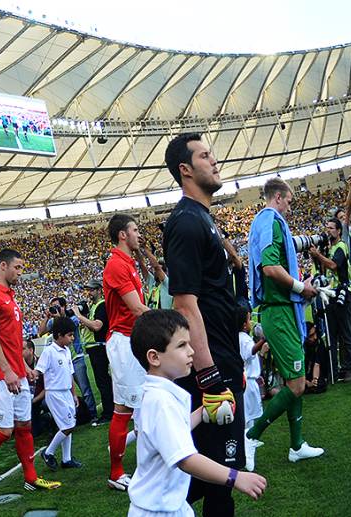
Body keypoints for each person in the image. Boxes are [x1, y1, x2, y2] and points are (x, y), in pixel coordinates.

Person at [163, 133, 243, 516]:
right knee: (216, 479)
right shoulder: (186, 223)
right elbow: (185, 305)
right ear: (185, 169)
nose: (215, 161)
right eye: (205, 156)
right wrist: (211, 378)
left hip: (223, 357)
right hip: (211, 368)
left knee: (216, 477)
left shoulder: (202, 218)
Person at [127, 310, 267, 516]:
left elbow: (175, 429)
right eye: (182, 345)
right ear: (154, 357)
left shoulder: (158, 394)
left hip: (169, 504)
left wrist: (203, 411)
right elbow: (185, 459)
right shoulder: (161, 401)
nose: (192, 351)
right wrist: (235, 477)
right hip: (159, 510)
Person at [0, 248, 60, 499]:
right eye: (17, 267)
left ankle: (30, 478)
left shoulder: (10, 296)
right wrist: (7, 370)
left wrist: (24, 367)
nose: (20, 272)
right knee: (4, 431)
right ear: (3, 266)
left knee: (24, 426)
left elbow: (11, 340)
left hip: (15, 372)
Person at [245, 177, 324, 468]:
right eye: (289, 201)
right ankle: (251, 435)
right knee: (297, 384)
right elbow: (270, 267)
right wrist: (301, 288)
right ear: (278, 197)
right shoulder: (271, 221)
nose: (290, 207)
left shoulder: (263, 222)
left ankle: (296, 445)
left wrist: (299, 286)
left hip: (281, 310)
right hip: (278, 312)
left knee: (297, 380)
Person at [104, 213, 151, 490]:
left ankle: (123, 470)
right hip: (124, 342)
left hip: (131, 339)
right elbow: (135, 309)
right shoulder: (116, 265)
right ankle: (119, 472)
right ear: (123, 234)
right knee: (129, 408)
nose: (138, 234)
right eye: (134, 230)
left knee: (130, 408)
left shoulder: (126, 262)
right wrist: (168, 323)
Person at [309, 218, 351, 382]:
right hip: (330, 295)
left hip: (342, 293)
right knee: (332, 334)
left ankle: (348, 369)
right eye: (326, 227)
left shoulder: (341, 246)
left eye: (331, 228)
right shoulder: (330, 248)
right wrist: (317, 256)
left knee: (345, 332)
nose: (328, 230)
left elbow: (334, 266)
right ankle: (334, 370)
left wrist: (318, 255)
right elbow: (323, 269)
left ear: (339, 231)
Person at [38, 316, 82, 470]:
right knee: (68, 426)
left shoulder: (67, 352)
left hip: (66, 393)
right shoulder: (49, 352)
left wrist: (74, 394)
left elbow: (70, 374)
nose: (72, 338)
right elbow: (39, 371)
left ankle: (66, 459)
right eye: (69, 335)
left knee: (68, 424)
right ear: (58, 335)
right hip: (55, 393)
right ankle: (48, 452)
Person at [42, 297, 97, 420]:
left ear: (64, 307)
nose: (55, 309)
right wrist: (46, 317)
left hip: (76, 358)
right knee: (65, 389)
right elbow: (40, 332)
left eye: (57, 306)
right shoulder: (53, 322)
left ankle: (92, 415)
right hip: (62, 360)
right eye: (53, 306)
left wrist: (57, 317)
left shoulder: (72, 318)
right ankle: (71, 415)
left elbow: (66, 327)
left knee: (85, 389)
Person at [74, 279, 112, 426]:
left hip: (98, 348)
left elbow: (97, 326)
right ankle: (109, 409)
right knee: (102, 380)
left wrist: (79, 316)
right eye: (87, 290)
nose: (88, 293)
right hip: (94, 347)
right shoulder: (94, 306)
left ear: (98, 290)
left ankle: (109, 412)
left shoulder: (101, 305)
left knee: (102, 381)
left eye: (91, 290)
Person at [237, 306, 267, 472]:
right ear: (243, 324)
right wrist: (263, 339)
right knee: (248, 416)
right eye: (249, 319)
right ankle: (247, 444)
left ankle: (251, 437)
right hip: (247, 383)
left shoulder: (241, 337)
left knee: (252, 414)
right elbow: (250, 352)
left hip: (251, 380)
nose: (251, 322)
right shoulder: (244, 339)